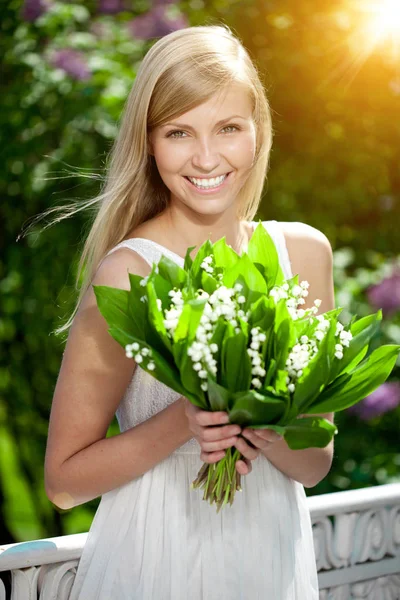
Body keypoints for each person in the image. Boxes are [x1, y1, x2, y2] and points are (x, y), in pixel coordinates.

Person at [43, 24, 336, 599]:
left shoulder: (304, 254)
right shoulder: (129, 272)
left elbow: (316, 464)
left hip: (269, 558)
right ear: (150, 144)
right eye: (179, 132)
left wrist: (260, 419)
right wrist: (184, 420)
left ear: (258, 132)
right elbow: (62, 482)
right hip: (156, 558)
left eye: (228, 127)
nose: (206, 157)